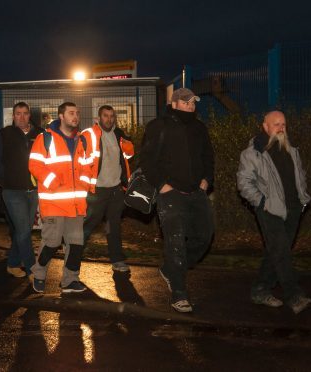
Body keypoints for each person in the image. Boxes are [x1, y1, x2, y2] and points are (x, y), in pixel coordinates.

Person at [140, 88, 214, 313]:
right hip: (170, 194)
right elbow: (147, 159)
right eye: (186, 102)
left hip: (196, 192)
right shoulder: (158, 126)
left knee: (205, 236)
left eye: (193, 102)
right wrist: (162, 185)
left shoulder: (199, 127)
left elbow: (208, 156)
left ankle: (171, 269)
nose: (191, 105)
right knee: (175, 243)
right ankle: (179, 294)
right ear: (174, 104)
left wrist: (205, 181)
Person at [237, 110, 311, 314]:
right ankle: (294, 295)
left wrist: (302, 196)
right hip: (269, 209)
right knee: (281, 251)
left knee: (277, 252)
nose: (281, 128)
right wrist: (262, 202)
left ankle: (260, 290)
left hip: (294, 208)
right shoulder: (253, 153)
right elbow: (244, 183)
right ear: (265, 126)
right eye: (276, 124)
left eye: (283, 124)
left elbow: (300, 175)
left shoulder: (291, 149)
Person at [29, 102, 94, 293]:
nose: (76, 116)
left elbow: (87, 166)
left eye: (78, 113)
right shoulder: (45, 138)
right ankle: (39, 274)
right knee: (52, 242)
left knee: (75, 244)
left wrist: (85, 184)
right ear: (61, 116)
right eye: (71, 113)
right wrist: (53, 182)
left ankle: (70, 280)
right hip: (54, 203)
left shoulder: (82, 140)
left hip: (75, 203)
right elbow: (34, 165)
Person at [0, 102, 44, 278]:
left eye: (25, 113)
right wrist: (5, 182)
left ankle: (13, 263)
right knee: (23, 229)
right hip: (12, 191)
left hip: (33, 190)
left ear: (30, 115)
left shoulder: (40, 134)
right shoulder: (5, 134)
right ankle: (32, 268)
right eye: (18, 114)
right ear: (13, 116)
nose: (21, 117)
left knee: (24, 230)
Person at [81, 105, 134, 272]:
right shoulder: (89, 135)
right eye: (105, 116)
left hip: (116, 190)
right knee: (88, 225)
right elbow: (80, 162)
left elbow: (128, 156)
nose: (109, 119)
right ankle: (73, 256)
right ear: (98, 118)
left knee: (114, 226)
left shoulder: (119, 134)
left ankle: (117, 260)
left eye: (112, 116)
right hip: (97, 190)